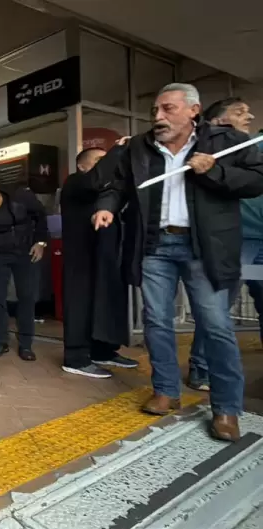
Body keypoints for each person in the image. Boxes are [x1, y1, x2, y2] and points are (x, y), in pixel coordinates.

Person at [92, 83, 263, 442]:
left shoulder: (223, 141)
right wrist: (107, 207)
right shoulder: (140, 146)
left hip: (206, 248)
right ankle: (166, 389)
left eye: (167, 109)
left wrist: (214, 172)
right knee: (156, 321)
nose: (158, 117)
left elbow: (256, 181)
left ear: (193, 111)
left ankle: (226, 409)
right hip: (155, 244)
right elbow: (118, 184)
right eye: (156, 110)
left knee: (215, 325)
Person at [188, 97, 259, 391]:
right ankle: (201, 368)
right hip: (237, 238)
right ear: (218, 121)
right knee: (217, 308)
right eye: (239, 112)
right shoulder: (231, 143)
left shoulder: (250, 145)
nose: (250, 116)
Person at [60, 148, 138, 378]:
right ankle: (75, 358)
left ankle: (103, 350)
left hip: (105, 255)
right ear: (83, 166)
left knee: (105, 303)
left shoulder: (107, 189)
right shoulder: (75, 182)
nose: (106, 164)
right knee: (80, 306)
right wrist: (117, 152)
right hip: (80, 256)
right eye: (99, 161)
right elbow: (95, 180)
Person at [0, 178, 49, 361]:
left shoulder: (20, 197)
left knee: (27, 297)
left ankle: (26, 345)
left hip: (25, 251)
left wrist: (41, 242)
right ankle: (0, 341)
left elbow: (41, 215)